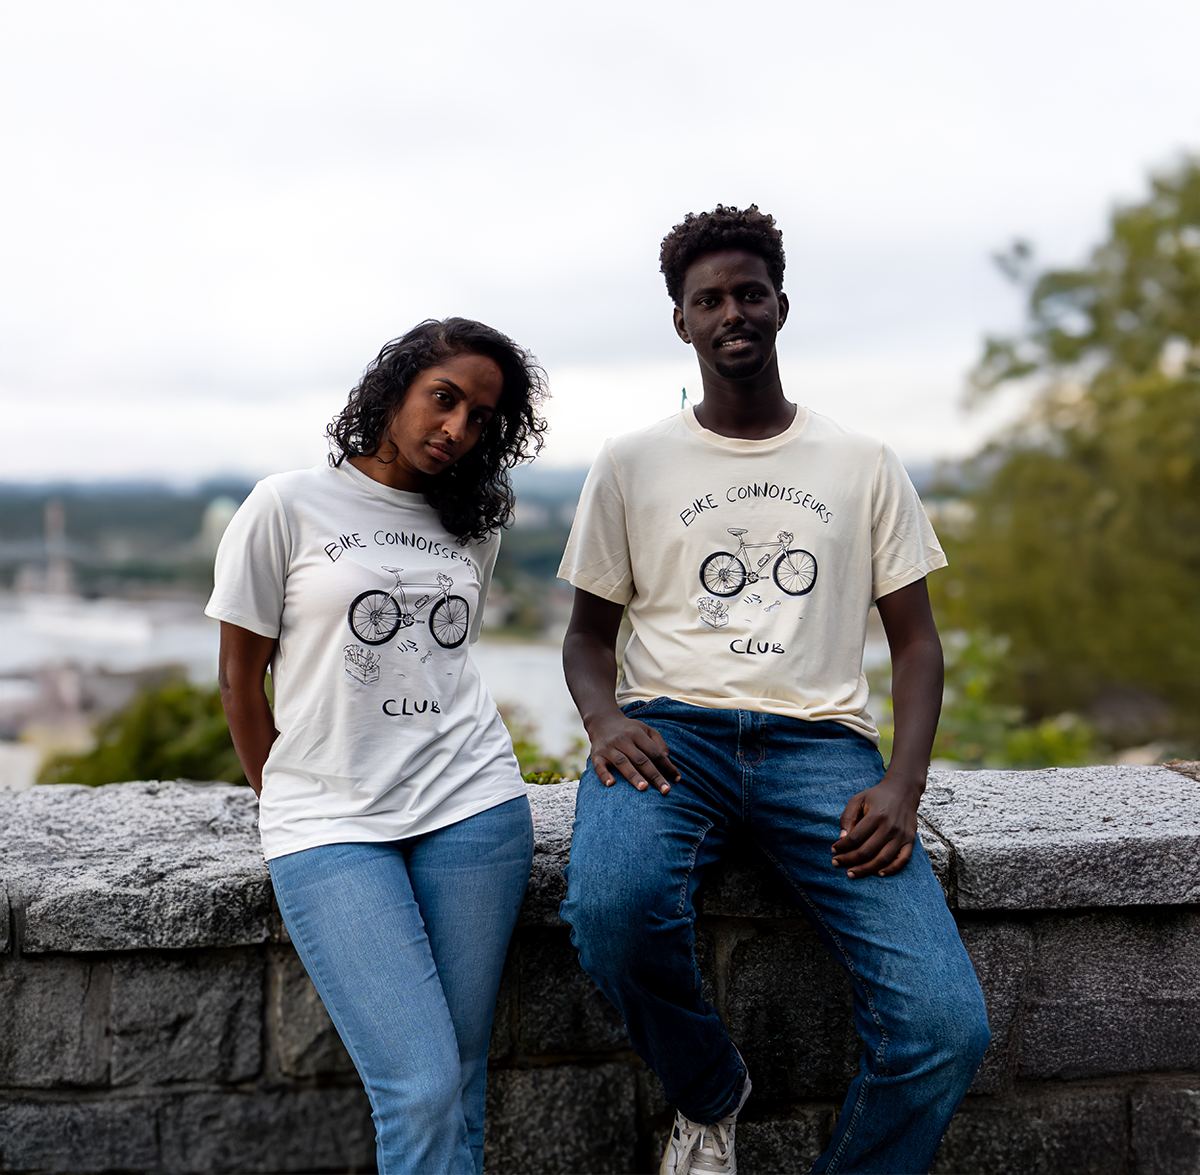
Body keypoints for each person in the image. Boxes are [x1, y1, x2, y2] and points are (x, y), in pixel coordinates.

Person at [557, 207, 990, 1175]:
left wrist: (903, 787)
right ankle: (711, 1090)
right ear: (681, 322)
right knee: (612, 911)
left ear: (781, 305)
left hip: (820, 750)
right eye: (707, 299)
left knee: (947, 1026)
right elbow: (586, 640)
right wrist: (604, 719)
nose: (731, 312)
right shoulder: (629, 464)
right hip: (673, 737)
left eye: (748, 292)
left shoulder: (863, 463)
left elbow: (918, 646)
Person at [207, 317, 547, 1175]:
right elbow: (239, 682)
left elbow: (444, 662)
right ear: (393, 389)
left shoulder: (472, 525)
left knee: (461, 1078)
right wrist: (284, 793)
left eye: (482, 418)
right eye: (445, 399)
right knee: (421, 1086)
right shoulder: (285, 505)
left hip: (474, 805)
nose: (458, 429)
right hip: (329, 823)